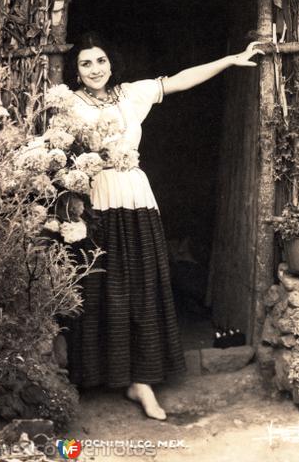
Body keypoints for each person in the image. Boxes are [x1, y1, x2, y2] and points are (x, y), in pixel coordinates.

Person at [60, 31, 264, 420]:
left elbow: (178, 80)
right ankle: (99, 376)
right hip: (95, 201)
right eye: (85, 63)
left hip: (134, 197)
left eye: (100, 60)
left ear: (111, 62)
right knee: (100, 285)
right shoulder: (68, 105)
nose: (95, 69)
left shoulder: (130, 94)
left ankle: (142, 382)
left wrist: (229, 60)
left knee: (140, 286)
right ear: (75, 69)